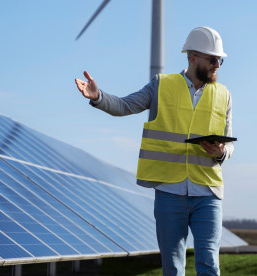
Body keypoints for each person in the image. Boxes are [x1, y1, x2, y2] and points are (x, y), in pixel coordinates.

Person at [75, 26, 234, 276]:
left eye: (220, 60)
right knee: (172, 267)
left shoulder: (224, 94)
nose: (218, 65)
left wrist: (221, 153)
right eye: (213, 59)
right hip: (169, 192)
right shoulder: (161, 85)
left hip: (208, 192)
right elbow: (125, 105)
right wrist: (98, 97)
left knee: (209, 265)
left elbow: (230, 145)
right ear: (192, 57)